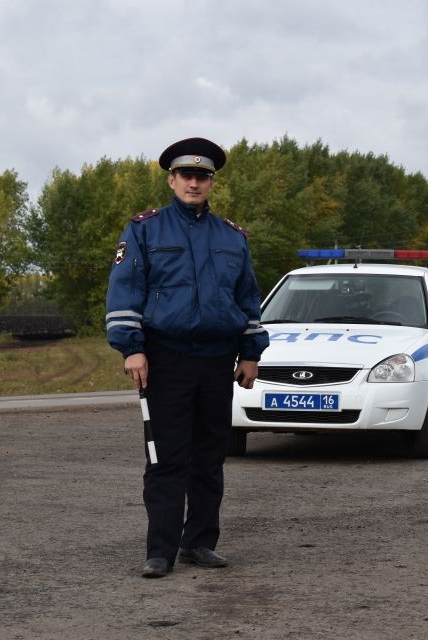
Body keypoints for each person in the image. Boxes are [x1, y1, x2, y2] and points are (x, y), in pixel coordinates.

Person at [105, 137, 269, 578]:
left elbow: (247, 299)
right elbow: (124, 292)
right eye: (186, 175)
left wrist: (250, 354)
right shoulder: (144, 230)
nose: (194, 183)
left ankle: (199, 543)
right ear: (172, 179)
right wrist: (133, 348)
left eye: (202, 176)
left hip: (217, 361)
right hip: (166, 358)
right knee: (166, 458)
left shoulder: (231, 238)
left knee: (209, 457)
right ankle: (159, 550)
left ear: (211, 182)